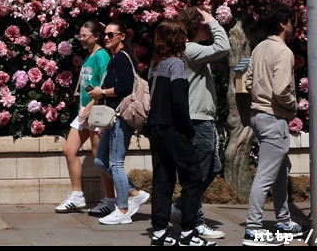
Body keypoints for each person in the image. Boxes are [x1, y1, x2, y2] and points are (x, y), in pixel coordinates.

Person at [147, 20, 214, 247]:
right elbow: (179, 101)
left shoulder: (155, 65)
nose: (186, 40)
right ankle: (188, 233)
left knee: (162, 178)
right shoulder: (175, 63)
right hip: (174, 129)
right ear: (175, 39)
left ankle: (159, 232)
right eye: (182, 36)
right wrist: (189, 130)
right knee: (193, 177)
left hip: (156, 128)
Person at [242, 3, 303, 247]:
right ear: (282, 23)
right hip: (274, 117)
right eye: (291, 22)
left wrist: (261, 94)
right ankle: (254, 229)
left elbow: (247, 81)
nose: (293, 27)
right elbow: (281, 89)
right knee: (266, 175)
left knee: (280, 171)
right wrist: (293, 106)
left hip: (258, 115)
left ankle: (284, 221)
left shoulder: (259, 48)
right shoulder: (283, 52)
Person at [165, 7, 229, 241]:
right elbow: (223, 47)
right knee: (199, 172)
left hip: (201, 117)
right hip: (198, 119)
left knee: (211, 168)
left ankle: (184, 209)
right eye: (205, 25)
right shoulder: (191, 49)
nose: (209, 28)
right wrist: (214, 21)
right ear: (196, 27)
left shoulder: (190, 50)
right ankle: (193, 220)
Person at [89, 21, 150, 225]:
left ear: (122, 36)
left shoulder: (122, 58)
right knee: (100, 160)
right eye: (105, 34)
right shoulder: (117, 57)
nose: (106, 37)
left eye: (111, 34)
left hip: (121, 116)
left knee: (116, 162)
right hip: (112, 117)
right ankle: (134, 193)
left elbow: (125, 87)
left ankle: (123, 209)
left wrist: (102, 92)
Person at [56, 21, 115, 214]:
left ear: (96, 36)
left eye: (84, 36)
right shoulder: (90, 56)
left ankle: (110, 200)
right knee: (69, 150)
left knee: (99, 156)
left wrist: (93, 108)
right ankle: (77, 196)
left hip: (96, 111)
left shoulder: (102, 56)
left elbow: (105, 86)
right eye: (79, 36)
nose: (81, 39)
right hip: (85, 112)